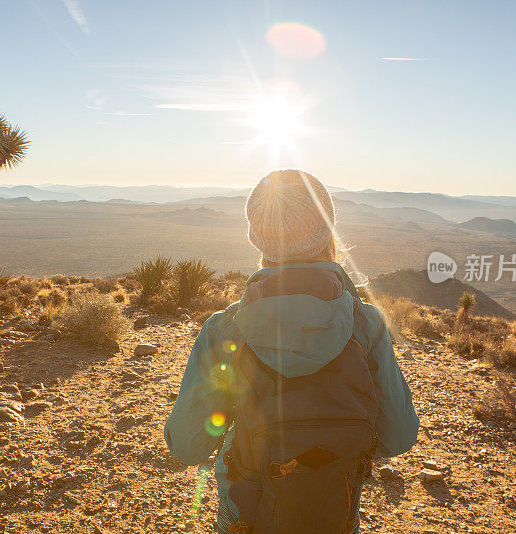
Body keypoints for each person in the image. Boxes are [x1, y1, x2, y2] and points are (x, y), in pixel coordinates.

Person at [165, 169, 419, 533]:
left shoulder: (226, 328)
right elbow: (399, 436)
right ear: (327, 229)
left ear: (258, 238)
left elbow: (188, 446)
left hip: (248, 513)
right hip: (335, 505)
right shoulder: (367, 325)